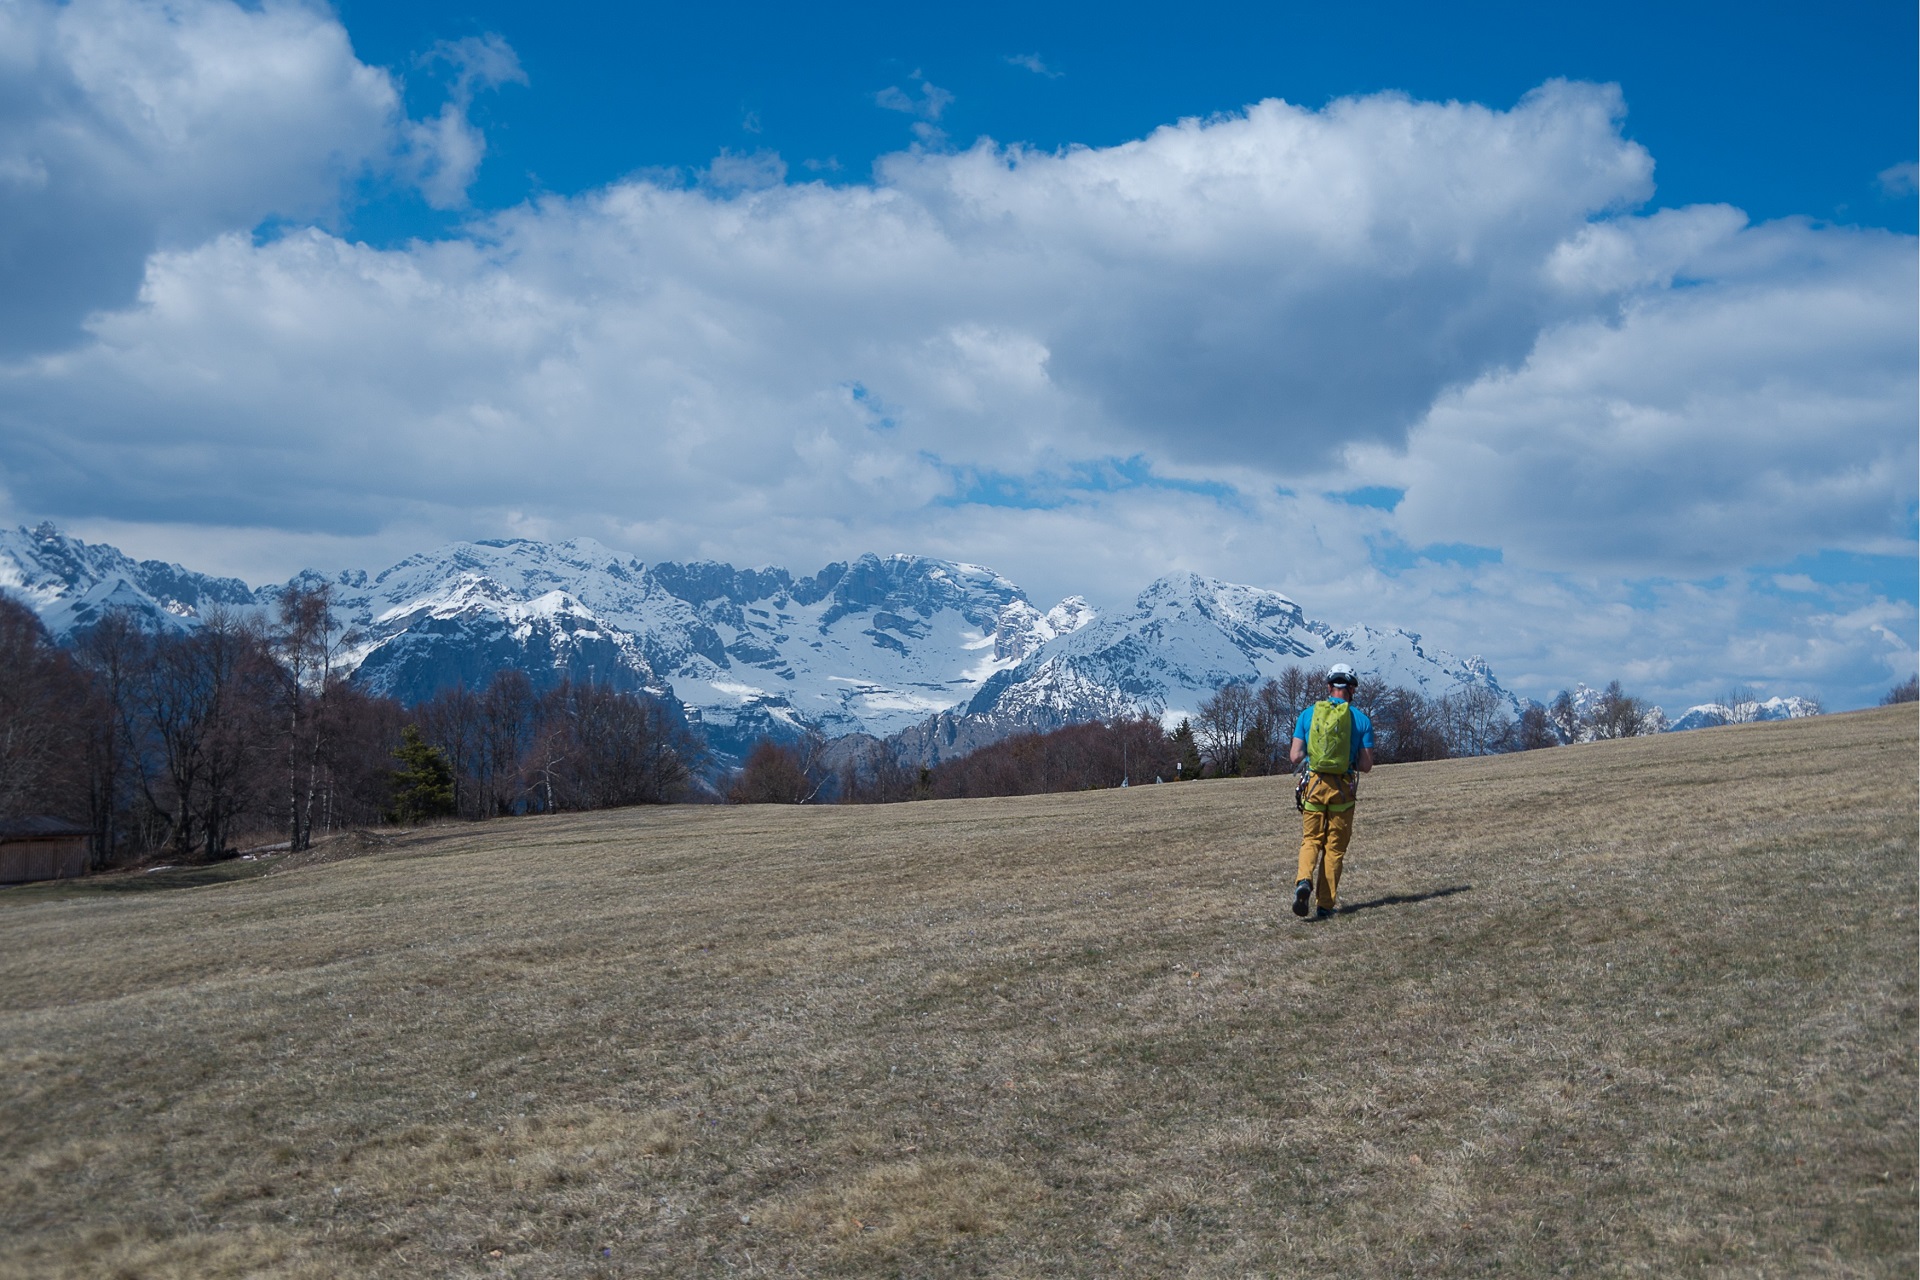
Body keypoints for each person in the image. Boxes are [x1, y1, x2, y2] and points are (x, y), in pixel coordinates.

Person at [1289, 663, 1374, 920]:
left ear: (1328, 687)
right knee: (1334, 848)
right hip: (1343, 791)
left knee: (1311, 840)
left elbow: (1295, 756)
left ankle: (1303, 880)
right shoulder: (1360, 720)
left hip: (1314, 786)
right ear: (1352, 690)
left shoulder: (1308, 715)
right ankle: (1325, 905)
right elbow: (1367, 765)